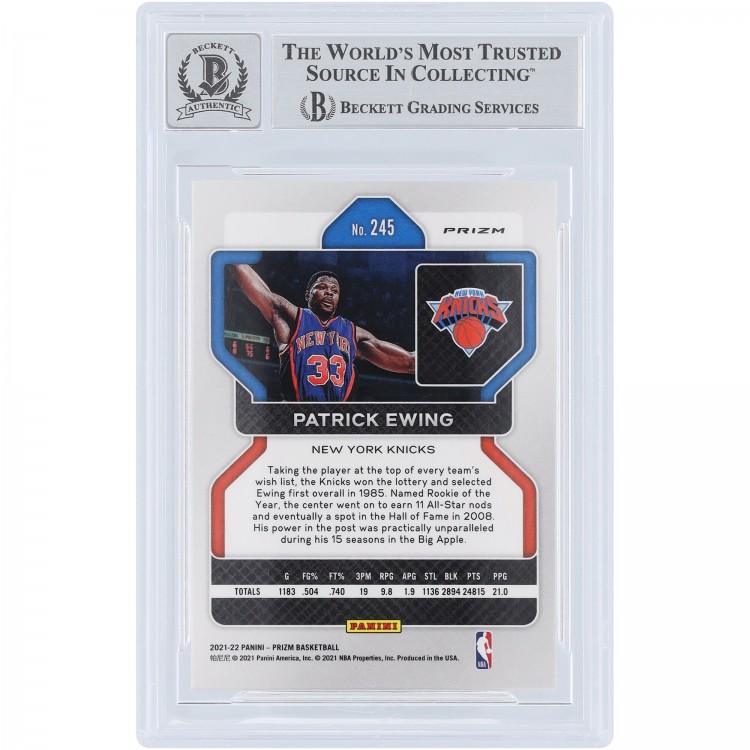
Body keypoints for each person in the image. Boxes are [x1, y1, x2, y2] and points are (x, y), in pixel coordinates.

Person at [232, 264, 415, 401]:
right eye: (322, 287)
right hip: (297, 417)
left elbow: (410, 362)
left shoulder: (353, 333)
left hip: (335, 423)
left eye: (334, 291)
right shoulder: (293, 319)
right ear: (308, 294)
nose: (329, 293)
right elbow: (259, 290)